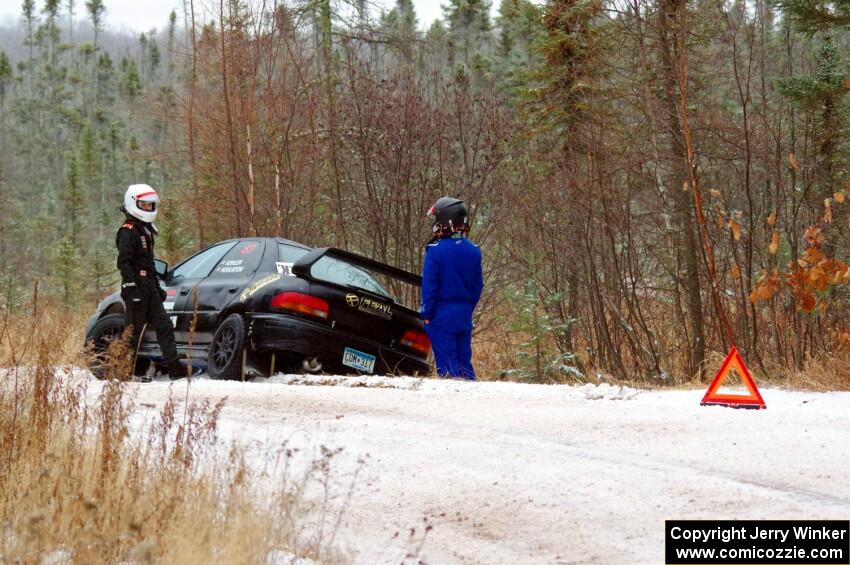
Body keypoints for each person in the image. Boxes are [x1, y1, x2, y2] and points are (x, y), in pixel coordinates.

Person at [116, 184, 188, 381]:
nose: (148, 208)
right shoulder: (127, 231)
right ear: (133, 203)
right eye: (144, 205)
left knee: (164, 325)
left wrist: (157, 287)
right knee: (133, 331)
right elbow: (124, 262)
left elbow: (148, 265)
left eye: (150, 205)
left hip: (149, 286)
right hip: (136, 287)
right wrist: (131, 286)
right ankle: (124, 372)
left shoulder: (145, 230)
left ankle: (175, 368)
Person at [420, 197, 484, 380]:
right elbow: (477, 286)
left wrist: (427, 314)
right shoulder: (474, 250)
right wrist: (466, 309)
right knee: (464, 365)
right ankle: (472, 402)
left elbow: (429, 287)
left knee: (448, 368)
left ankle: (453, 405)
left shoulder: (435, 250)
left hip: (441, 315)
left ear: (446, 220)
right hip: (463, 314)